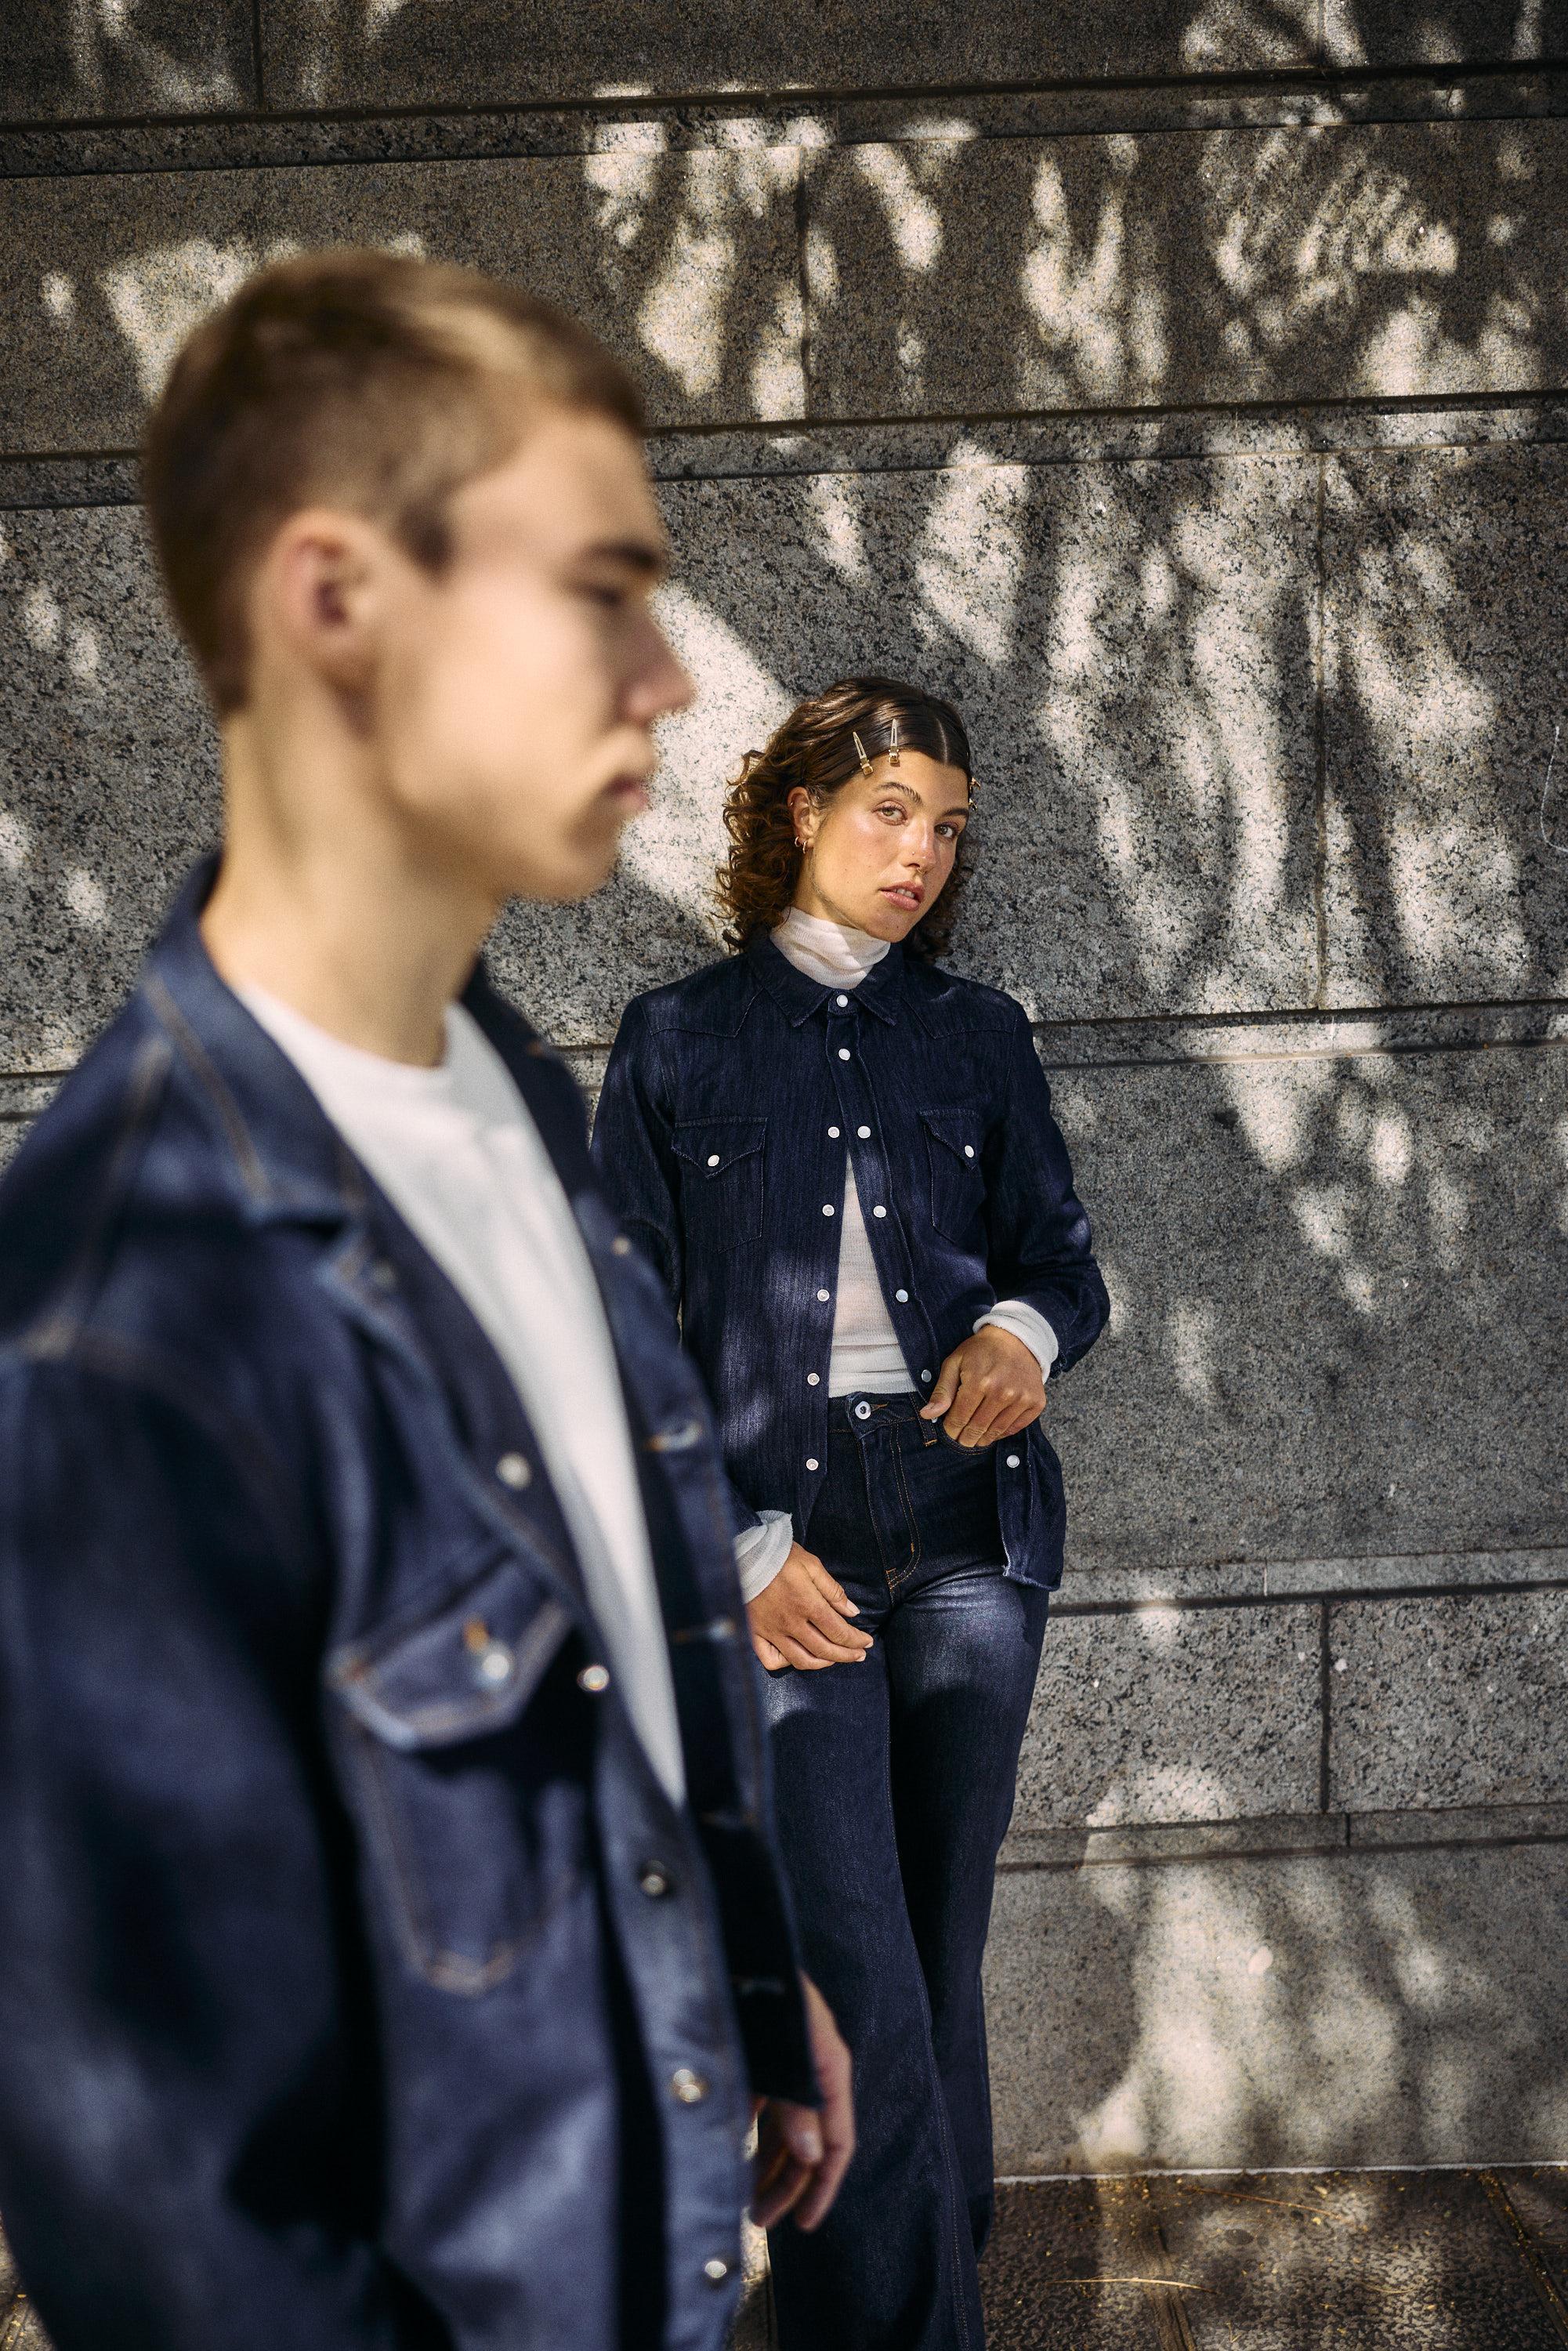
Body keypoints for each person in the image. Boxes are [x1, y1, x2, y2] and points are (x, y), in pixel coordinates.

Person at [0, 250, 853, 2351]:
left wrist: (748, 1981)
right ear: (332, 604)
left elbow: (616, 1638)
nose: (667, 674)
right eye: (599, 590)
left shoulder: (512, 1091)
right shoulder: (125, 1314)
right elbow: (174, 2220)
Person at [592, 677, 1109, 2350]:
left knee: (929, 1949)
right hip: (777, 1547)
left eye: (946, 825)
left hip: (966, 1532)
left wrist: (1021, 1338)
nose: (921, 852)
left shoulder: (977, 1035)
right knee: (856, 1976)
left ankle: (894, 2275)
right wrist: (733, 1556)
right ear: (800, 813)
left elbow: (1060, 1264)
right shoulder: (675, 1041)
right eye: (888, 809)